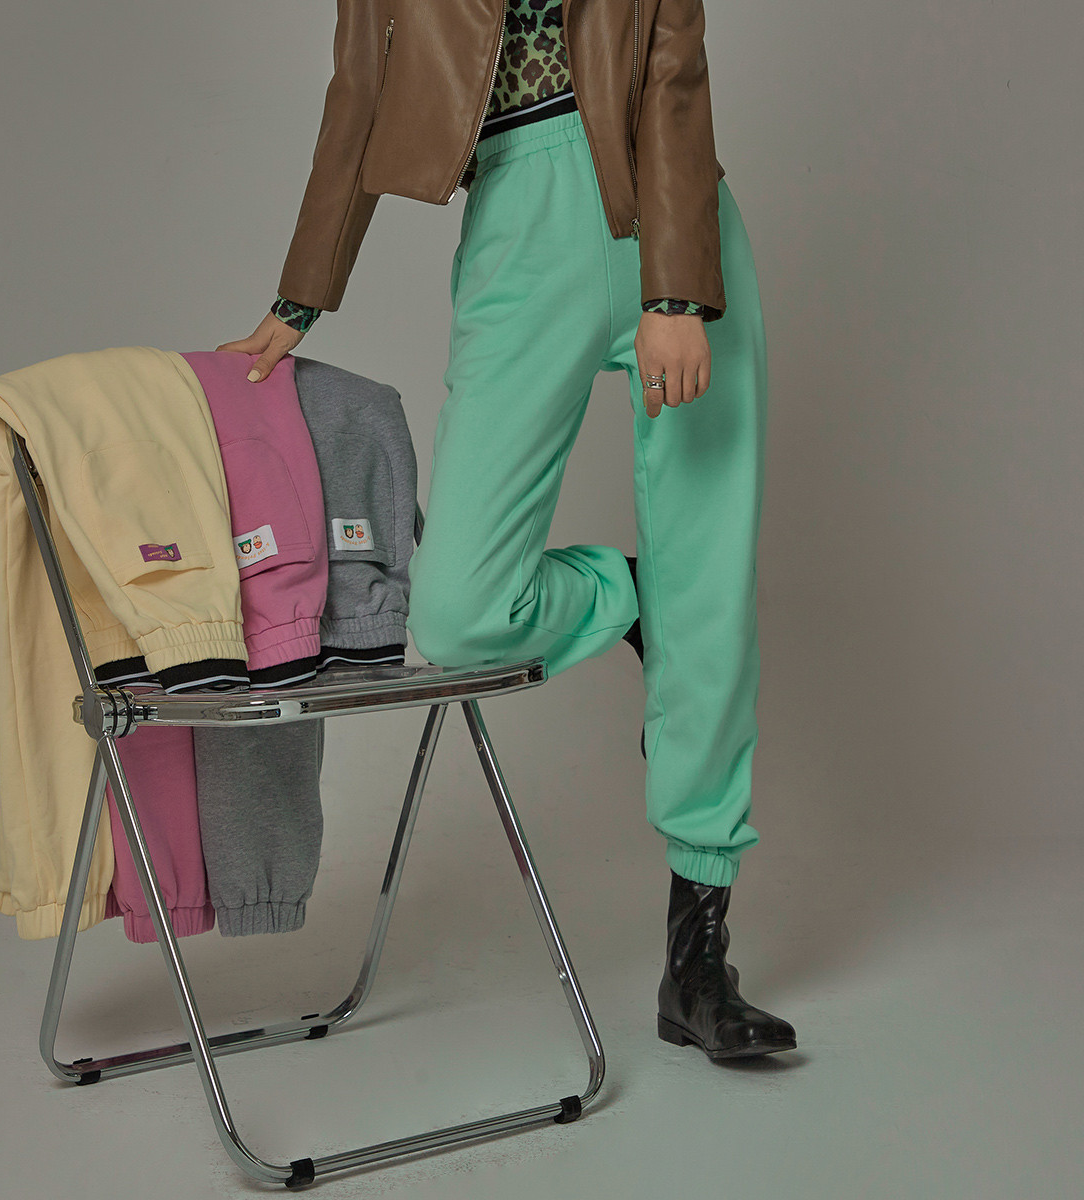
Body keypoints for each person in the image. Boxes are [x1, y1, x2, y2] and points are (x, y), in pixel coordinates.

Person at [218, 0, 796, 1062]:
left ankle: (699, 965)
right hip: (519, 219)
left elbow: (672, 60)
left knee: (711, 571)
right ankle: (634, 598)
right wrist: (302, 296)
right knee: (463, 610)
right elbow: (361, 83)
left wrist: (677, 289)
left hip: (673, 209)